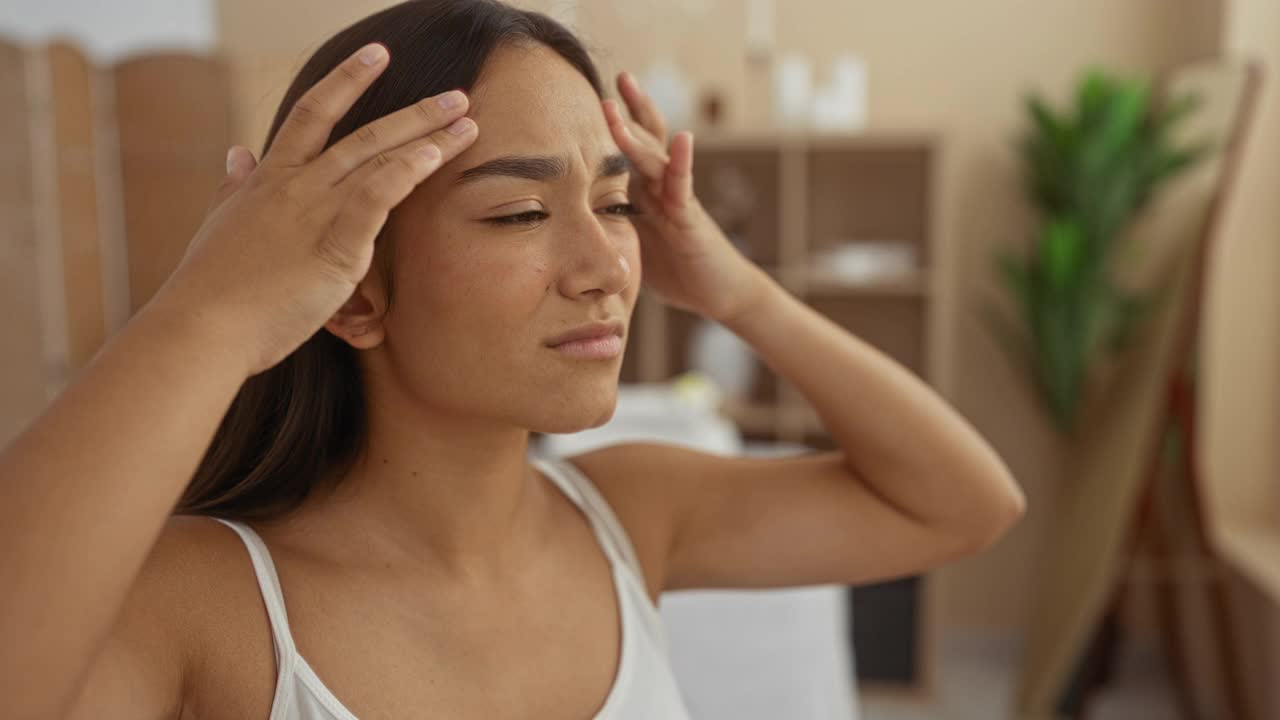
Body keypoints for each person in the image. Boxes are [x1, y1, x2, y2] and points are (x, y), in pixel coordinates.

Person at [0, 1, 1026, 718]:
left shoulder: (628, 518)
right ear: (355, 290)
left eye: (616, 204)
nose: (604, 267)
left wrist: (733, 289)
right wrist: (206, 316)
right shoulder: (207, 601)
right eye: (522, 211)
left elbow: (962, 506)